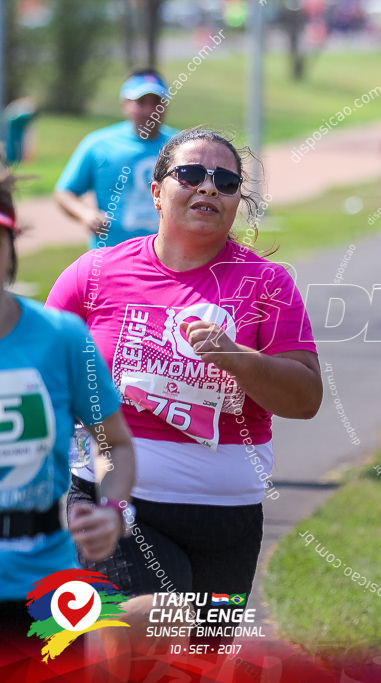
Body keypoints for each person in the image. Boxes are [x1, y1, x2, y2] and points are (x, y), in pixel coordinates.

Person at [46, 129, 322, 631]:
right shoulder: (96, 273)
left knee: (200, 660)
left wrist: (238, 358)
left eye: (226, 180)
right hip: (120, 502)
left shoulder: (268, 284)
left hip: (229, 517)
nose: (209, 188)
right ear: (156, 191)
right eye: (191, 175)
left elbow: (305, 399)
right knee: (148, 623)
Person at [0, 163, 136, 634]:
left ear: (11, 243)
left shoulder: (61, 337)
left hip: (40, 587)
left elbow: (115, 442)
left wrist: (112, 511)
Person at [55, 69, 176, 249]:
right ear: (125, 104)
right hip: (109, 256)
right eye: (141, 102)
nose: (150, 110)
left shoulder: (180, 147)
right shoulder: (98, 145)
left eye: (157, 102)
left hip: (167, 258)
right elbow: (64, 192)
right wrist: (86, 214)